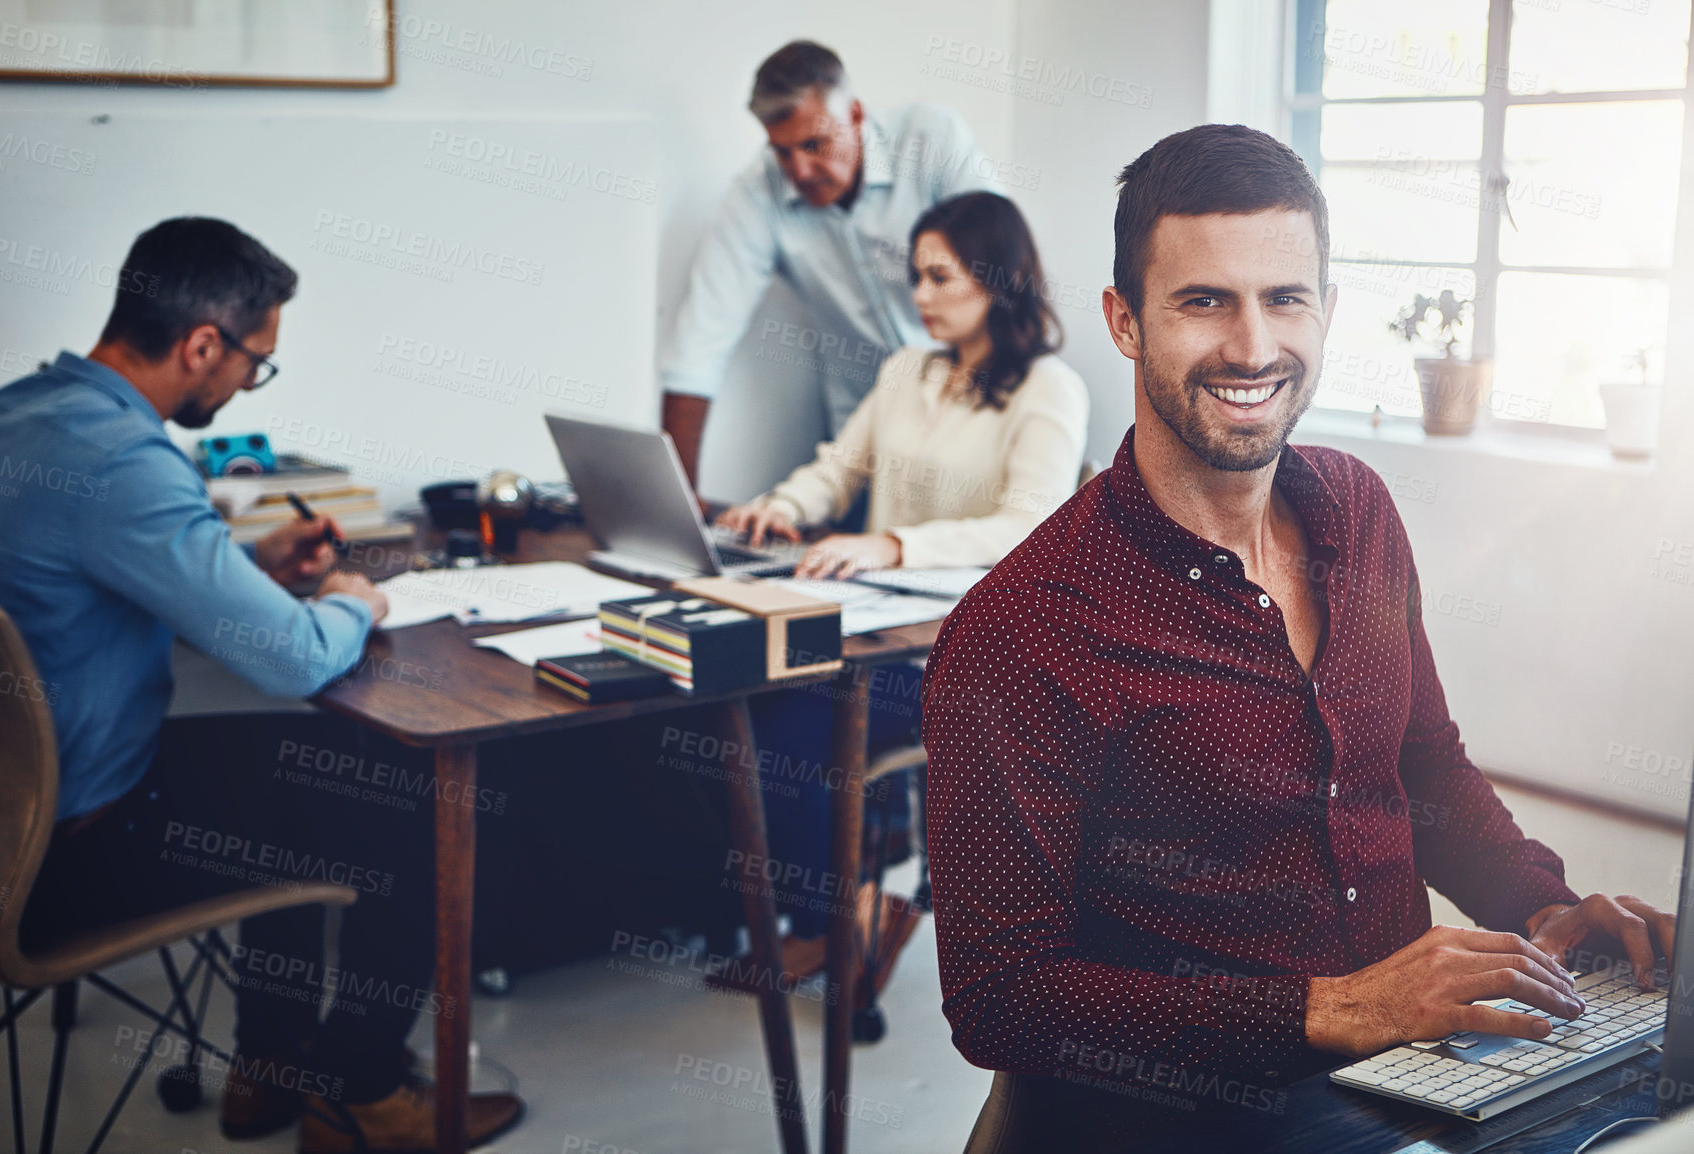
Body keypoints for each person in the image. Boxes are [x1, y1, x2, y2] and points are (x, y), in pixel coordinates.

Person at [921, 126, 1677, 1146]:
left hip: (1411, 1076)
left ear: (1326, 310)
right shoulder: (1021, 629)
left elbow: (1422, 769)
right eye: (1203, 301)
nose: (1251, 346)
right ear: (1124, 321)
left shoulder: (1358, 510)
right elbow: (1003, 996)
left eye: (1285, 297)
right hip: (1186, 1114)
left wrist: (1551, 910)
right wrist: (1338, 1004)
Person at [0, 217, 522, 1153]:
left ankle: (273, 1066)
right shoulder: (127, 462)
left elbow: (98, 563)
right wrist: (354, 600)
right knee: (410, 806)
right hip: (66, 862)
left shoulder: (9, 417)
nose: (247, 382)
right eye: (255, 363)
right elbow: (298, 659)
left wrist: (242, 561)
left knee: (291, 765)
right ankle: (360, 1093)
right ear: (202, 345)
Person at [715, 191, 1088, 968]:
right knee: (741, 697)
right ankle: (828, 911)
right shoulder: (904, 371)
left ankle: (827, 930)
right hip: (868, 629)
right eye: (916, 277)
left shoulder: (1049, 388)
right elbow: (837, 468)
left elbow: (1030, 525)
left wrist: (891, 543)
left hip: (958, 662)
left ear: (995, 278)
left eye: (940, 277)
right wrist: (778, 507)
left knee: (783, 727)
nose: (920, 297)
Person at [661, 39, 1000, 494]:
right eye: (782, 152)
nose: (799, 170)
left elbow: (1003, 263)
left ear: (856, 116)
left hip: (975, 425)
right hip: (862, 452)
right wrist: (680, 501)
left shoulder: (930, 138)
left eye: (814, 144)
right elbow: (698, 345)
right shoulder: (758, 193)